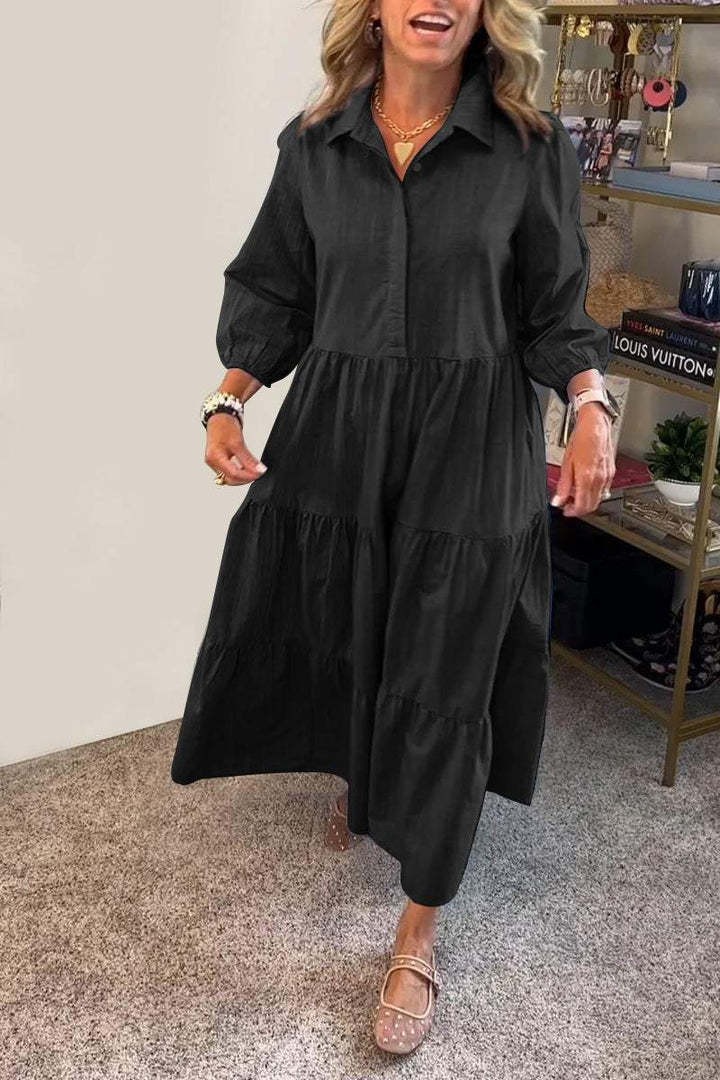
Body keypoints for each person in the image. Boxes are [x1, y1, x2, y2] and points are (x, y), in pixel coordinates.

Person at [171, 0, 616, 1055]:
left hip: (473, 440)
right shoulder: (314, 146)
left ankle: (418, 931)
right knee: (344, 620)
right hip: (342, 432)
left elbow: (555, 310)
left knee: (449, 669)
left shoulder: (528, 150)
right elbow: (275, 290)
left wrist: (591, 403)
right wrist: (227, 400)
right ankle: (367, 778)